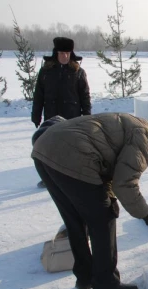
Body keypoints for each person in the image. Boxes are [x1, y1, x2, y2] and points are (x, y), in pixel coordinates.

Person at [32, 112, 148, 289]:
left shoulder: (135, 125)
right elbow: (124, 184)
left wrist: (113, 197)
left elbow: (109, 170)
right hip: (74, 156)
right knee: (104, 218)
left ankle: (85, 277)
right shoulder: (147, 139)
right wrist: (146, 214)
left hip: (44, 149)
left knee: (75, 219)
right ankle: (106, 284)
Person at [31, 37, 91, 189]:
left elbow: (85, 96)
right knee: (49, 148)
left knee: (73, 148)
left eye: (67, 53)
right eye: (62, 53)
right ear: (56, 53)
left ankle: (74, 177)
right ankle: (48, 178)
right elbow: (39, 95)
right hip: (51, 116)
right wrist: (36, 115)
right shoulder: (46, 71)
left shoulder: (78, 72)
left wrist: (87, 117)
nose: (65, 56)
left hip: (72, 116)